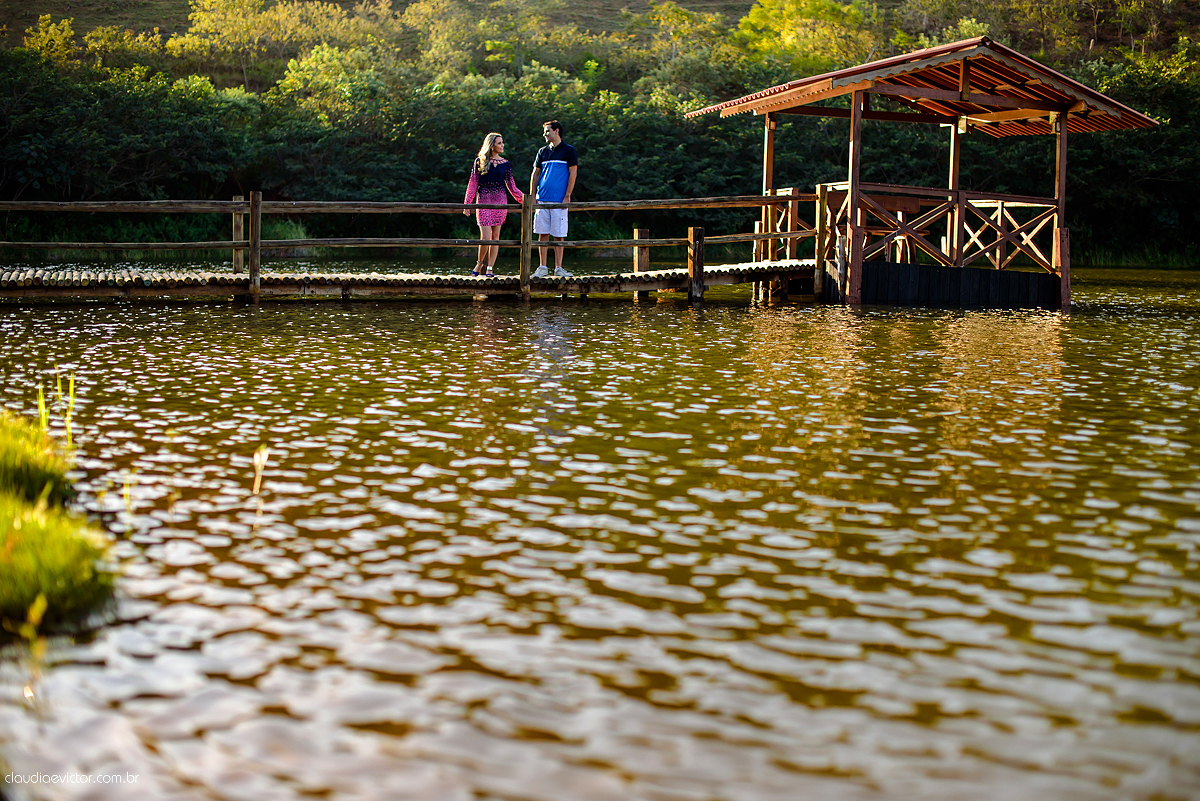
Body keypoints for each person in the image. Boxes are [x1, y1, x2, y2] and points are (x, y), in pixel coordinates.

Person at [463, 132, 524, 277]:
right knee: (485, 237)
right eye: (499, 143)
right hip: (483, 199)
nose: (502, 145)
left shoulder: (505, 163)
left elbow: (512, 186)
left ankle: (490, 267)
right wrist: (467, 203)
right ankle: (479, 263)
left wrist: (525, 200)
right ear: (491, 145)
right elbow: (472, 184)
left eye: (502, 142)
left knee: (496, 236)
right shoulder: (479, 161)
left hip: (500, 200)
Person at [529, 120, 577, 278]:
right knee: (542, 233)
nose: (544, 134)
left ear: (556, 131)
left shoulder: (569, 150)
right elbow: (535, 174)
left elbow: (573, 173)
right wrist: (532, 196)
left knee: (559, 234)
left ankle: (558, 268)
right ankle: (542, 267)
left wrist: (568, 195)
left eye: (547, 131)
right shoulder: (542, 151)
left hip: (559, 200)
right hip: (541, 198)